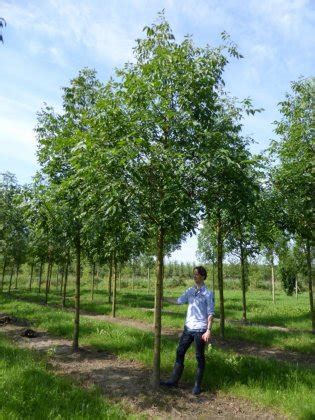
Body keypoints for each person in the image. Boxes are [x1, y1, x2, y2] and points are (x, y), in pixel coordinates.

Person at [160, 266, 214, 395]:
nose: (194, 276)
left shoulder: (208, 293)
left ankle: (197, 386)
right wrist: (164, 298)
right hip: (188, 328)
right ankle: (173, 381)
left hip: (201, 329)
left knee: (199, 356)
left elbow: (210, 314)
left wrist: (208, 330)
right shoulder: (190, 290)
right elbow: (179, 301)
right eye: (193, 274)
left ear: (203, 276)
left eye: (196, 274)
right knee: (180, 352)